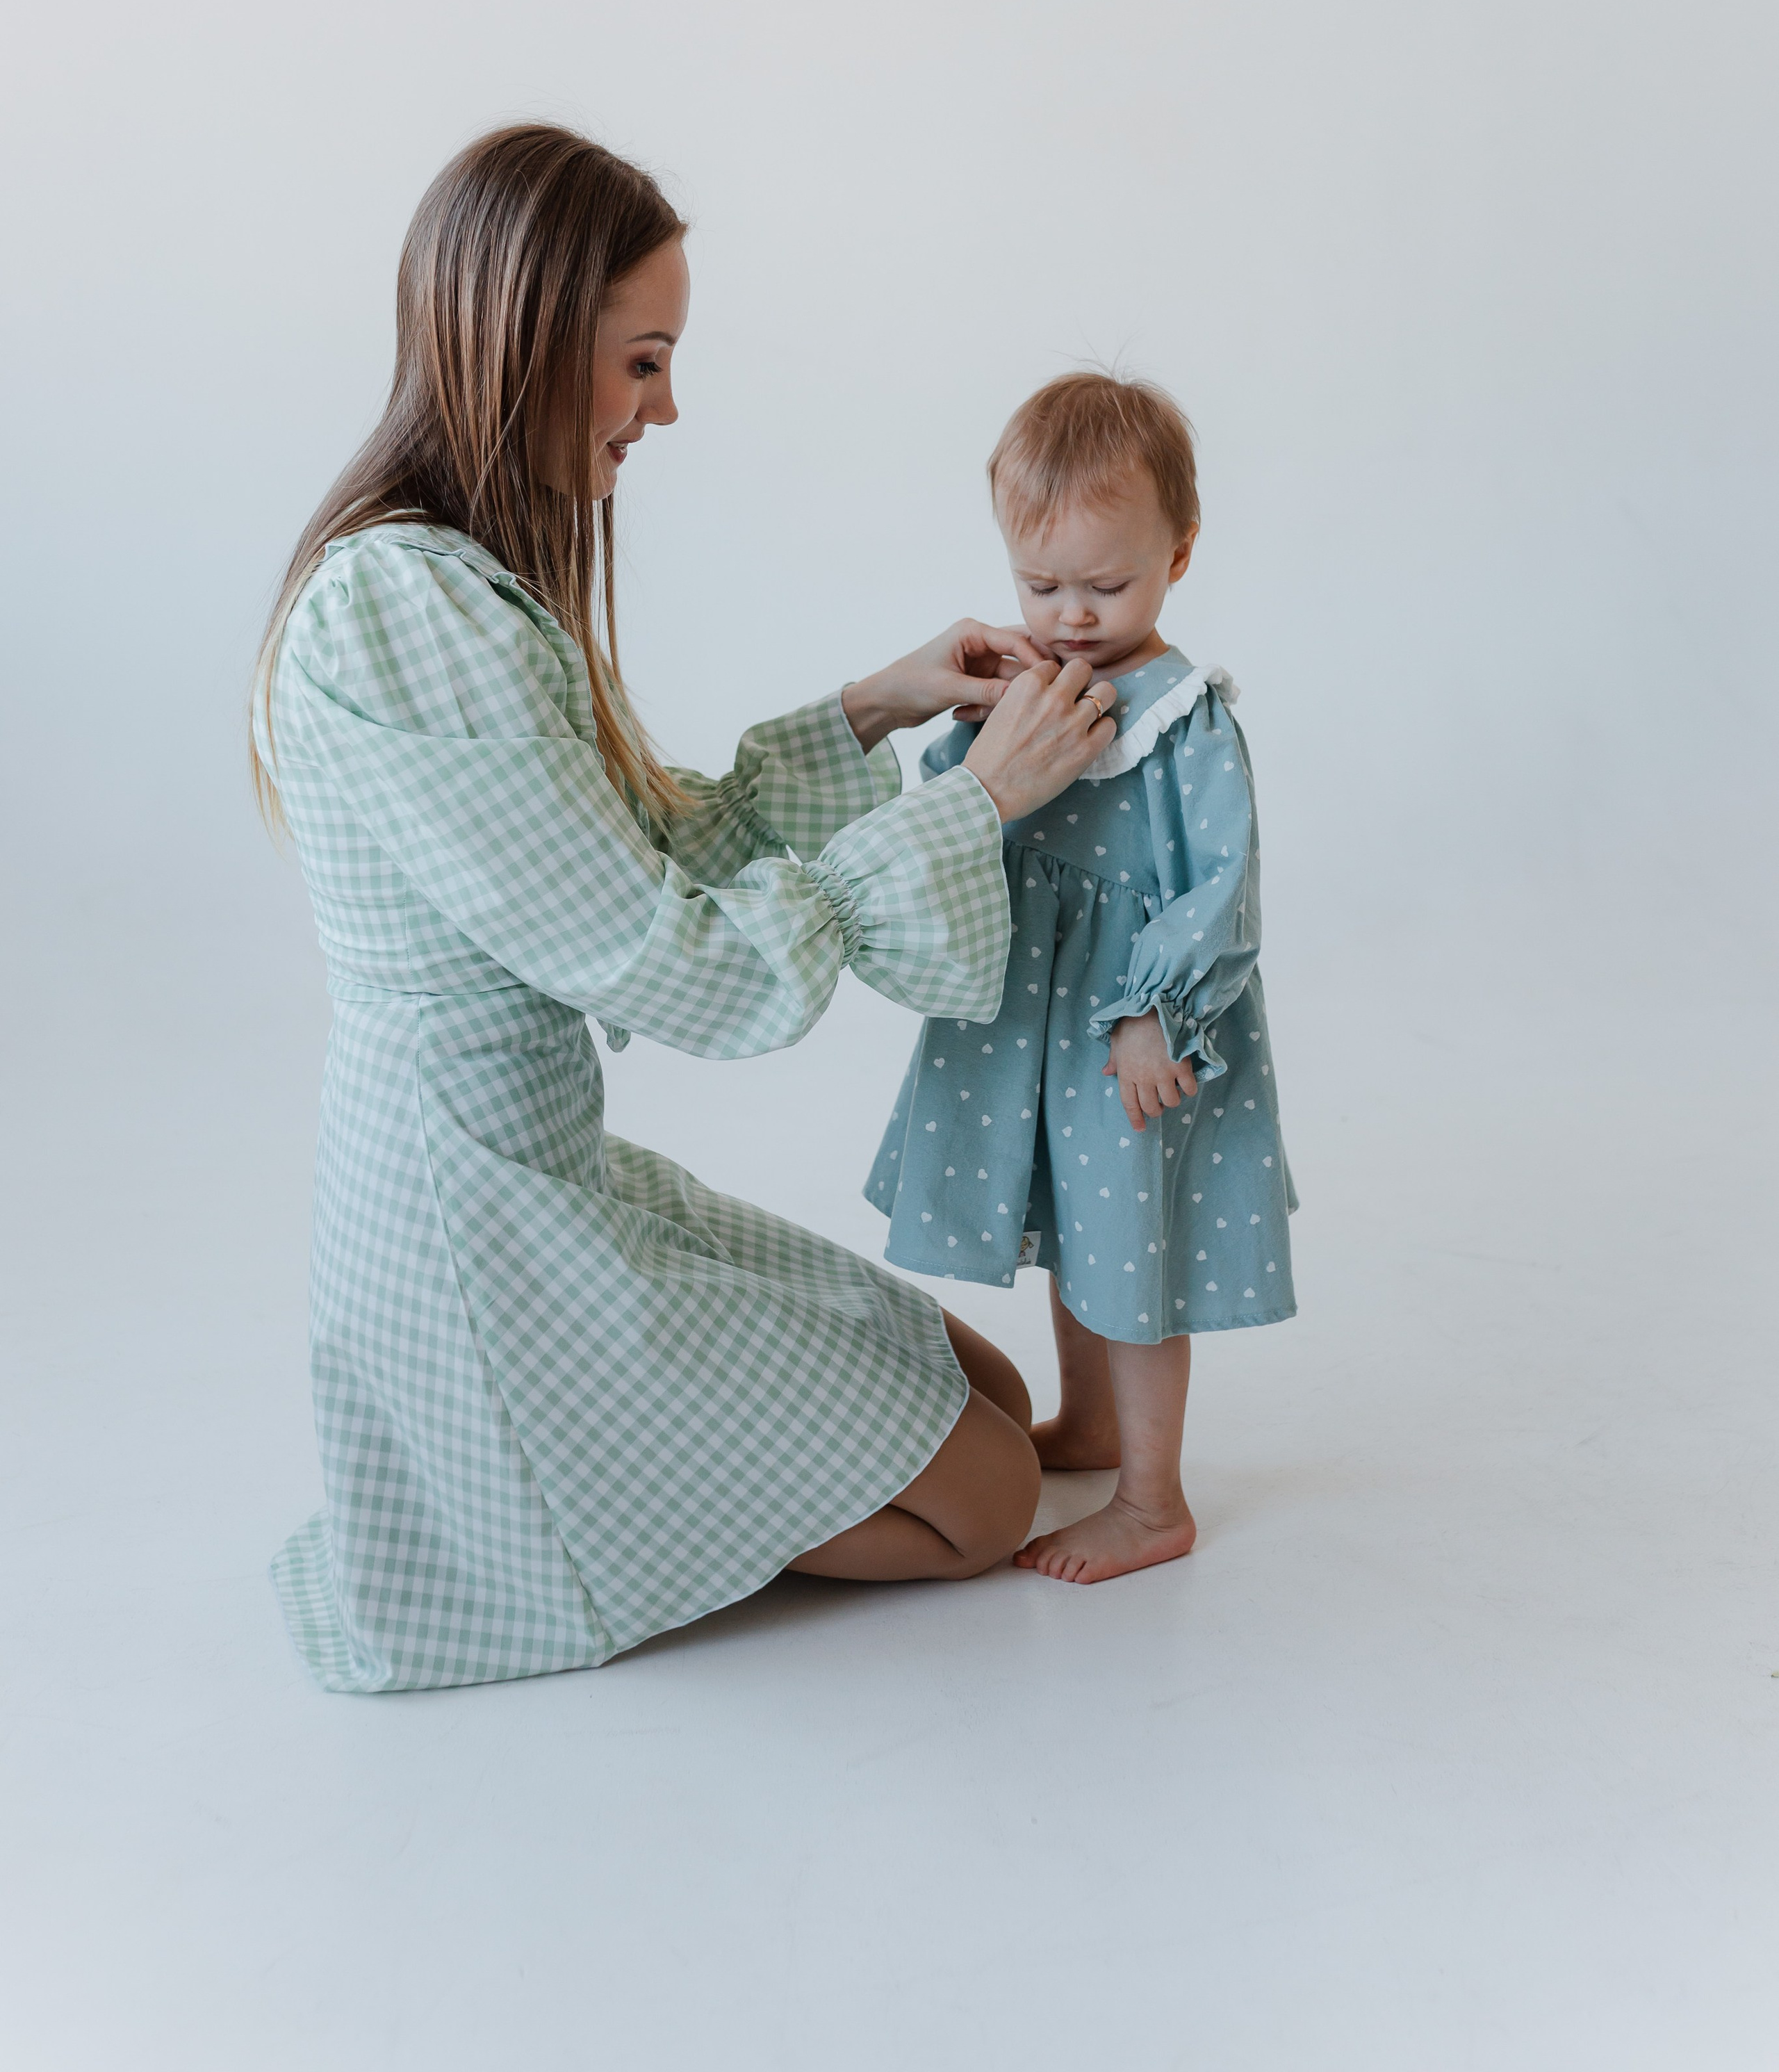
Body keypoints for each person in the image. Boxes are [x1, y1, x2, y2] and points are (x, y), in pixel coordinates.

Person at [252, 124, 1121, 1694]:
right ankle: (579, 1518)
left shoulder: (468, 587)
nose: (665, 408)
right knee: (986, 1501)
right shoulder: (405, 609)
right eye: (642, 362)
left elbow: (647, 847)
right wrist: (975, 802)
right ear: (523, 340)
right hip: (479, 1233)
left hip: (547, 1167)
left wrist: (875, 705)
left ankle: (658, 1479)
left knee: (977, 1387)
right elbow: (686, 972)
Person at [866, 372, 1297, 1583]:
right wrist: (968, 729)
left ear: (1180, 553)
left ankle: (1152, 1498)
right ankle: (1092, 1421)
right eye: (1039, 585)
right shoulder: (1034, 682)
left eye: (1106, 586)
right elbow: (963, 818)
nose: (1070, 617)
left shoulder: (1184, 718)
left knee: (1136, 1246)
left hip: (1132, 1036)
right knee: (1074, 1223)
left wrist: (1155, 1011)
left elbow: (1224, 887)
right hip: (1029, 1021)